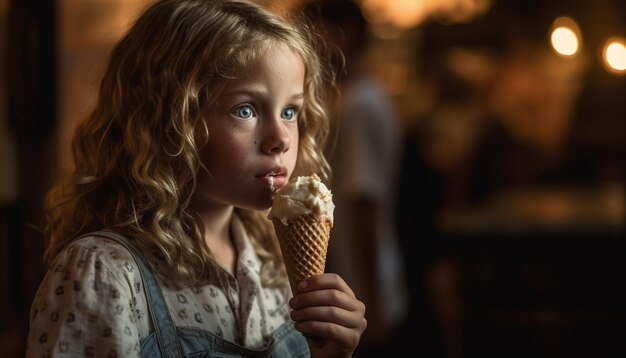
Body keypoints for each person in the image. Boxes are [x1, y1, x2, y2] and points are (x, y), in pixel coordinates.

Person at [25, 1, 366, 357]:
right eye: (245, 110)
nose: (280, 138)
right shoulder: (104, 274)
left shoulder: (272, 261)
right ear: (168, 121)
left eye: (290, 111)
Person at [301, 1, 409, 356]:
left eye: (318, 30)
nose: (312, 43)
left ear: (345, 34)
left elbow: (363, 201)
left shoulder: (359, 105)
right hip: (359, 282)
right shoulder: (351, 98)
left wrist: (372, 302)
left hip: (362, 286)